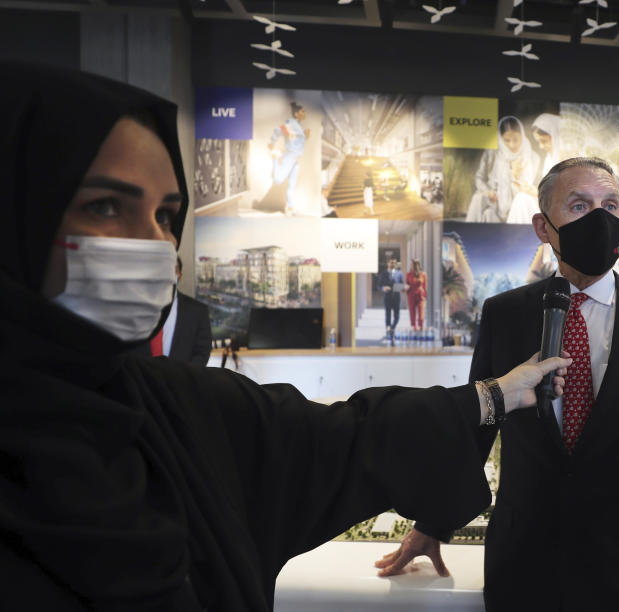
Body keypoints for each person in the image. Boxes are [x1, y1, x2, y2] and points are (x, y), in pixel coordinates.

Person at [0, 62, 571, 611]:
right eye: (105, 206)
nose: (151, 243)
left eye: (166, 216)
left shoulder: (174, 407)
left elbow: (345, 437)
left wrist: (496, 394)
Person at [378, 158, 619, 611]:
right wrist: (432, 525)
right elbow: (479, 427)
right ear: (544, 226)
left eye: (610, 205)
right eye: (579, 205)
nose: (599, 218)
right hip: (527, 568)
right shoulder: (505, 314)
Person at [465, 115, 539, 223]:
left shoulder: (532, 156)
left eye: (515, 139)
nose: (512, 144)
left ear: (522, 136)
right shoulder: (492, 153)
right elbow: (479, 177)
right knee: (479, 200)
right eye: (507, 140)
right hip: (494, 201)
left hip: (518, 202)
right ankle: (468, 235)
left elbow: (527, 188)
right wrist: (488, 191)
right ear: (500, 138)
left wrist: (515, 175)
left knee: (523, 199)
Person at [143, 256, 213, 365]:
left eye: (172, 269)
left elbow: (202, 351)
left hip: (182, 379)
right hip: (140, 379)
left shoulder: (198, 311)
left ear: (179, 275)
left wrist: (184, 378)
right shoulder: (136, 308)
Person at [506, 112, 560, 224]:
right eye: (538, 142)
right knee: (522, 197)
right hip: (546, 205)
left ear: (555, 135)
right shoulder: (549, 159)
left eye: (544, 141)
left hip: (558, 210)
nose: (541, 146)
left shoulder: (567, 158)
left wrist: (536, 193)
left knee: (523, 199)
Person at [268, 101, 310, 215]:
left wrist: (305, 138)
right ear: (296, 114)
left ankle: (290, 208)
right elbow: (278, 130)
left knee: (292, 185)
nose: (305, 113)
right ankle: (275, 157)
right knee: (278, 179)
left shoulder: (298, 126)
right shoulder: (291, 124)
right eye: (302, 111)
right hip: (290, 156)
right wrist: (272, 142)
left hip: (295, 159)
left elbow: (296, 142)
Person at [378, 257, 403, 336]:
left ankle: (392, 328)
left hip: (396, 298)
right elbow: (379, 286)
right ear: (388, 263)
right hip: (388, 298)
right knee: (388, 315)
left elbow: (402, 285)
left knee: (397, 317)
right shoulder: (383, 274)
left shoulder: (399, 273)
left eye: (394, 263)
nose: (393, 264)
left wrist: (402, 287)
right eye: (391, 262)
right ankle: (388, 329)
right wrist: (383, 288)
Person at [406, 259, 427, 331]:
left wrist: (425, 296)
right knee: (412, 312)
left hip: (420, 295)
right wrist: (405, 288)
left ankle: (421, 326)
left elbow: (425, 286)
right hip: (411, 295)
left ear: (416, 265)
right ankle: (414, 326)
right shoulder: (408, 274)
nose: (410, 265)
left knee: (421, 313)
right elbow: (406, 285)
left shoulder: (423, 274)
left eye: (412, 264)